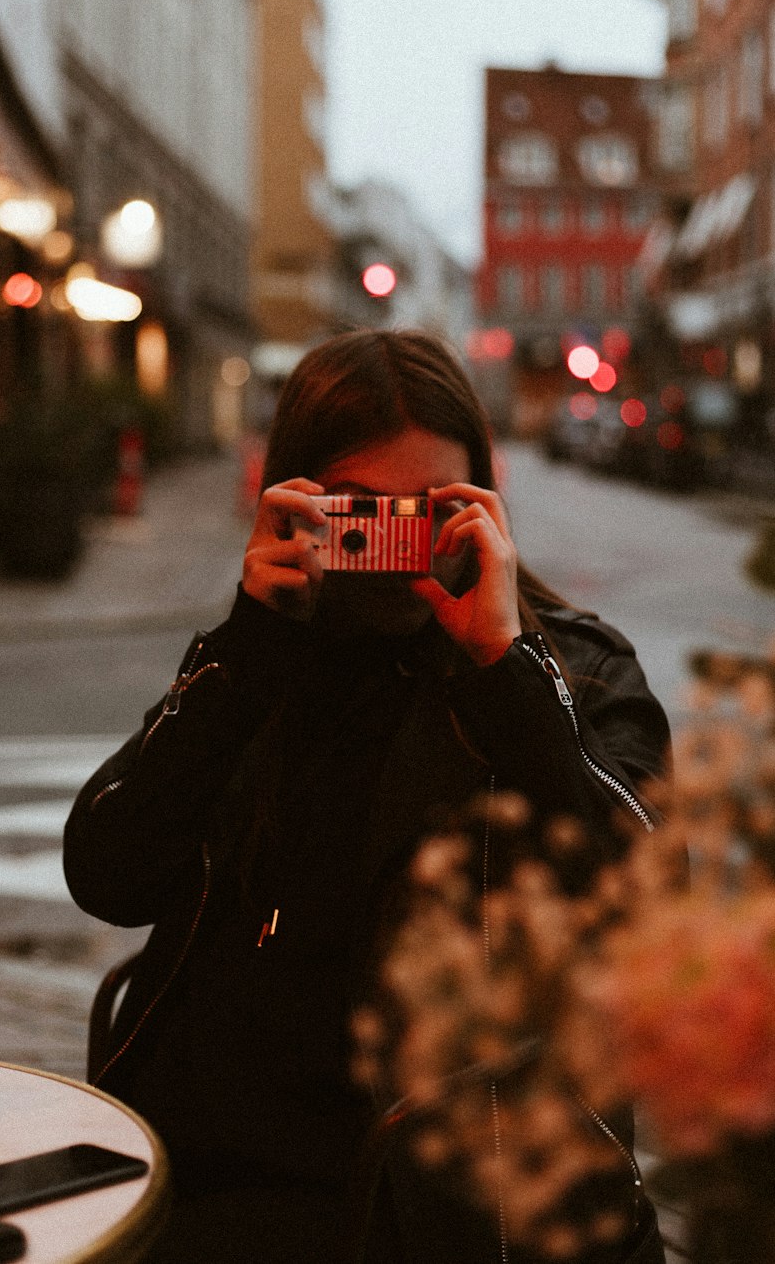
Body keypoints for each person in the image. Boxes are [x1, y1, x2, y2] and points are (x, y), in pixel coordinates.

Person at [63, 329, 670, 1264]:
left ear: (486, 505)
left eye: (431, 511)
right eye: (360, 511)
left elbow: (639, 905)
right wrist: (246, 652)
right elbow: (108, 872)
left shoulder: (576, 674)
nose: (393, 544)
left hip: (448, 1207)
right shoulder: (263, 658)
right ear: (294, 499)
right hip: (210, 1175)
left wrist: (502, 667)